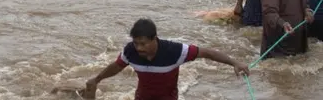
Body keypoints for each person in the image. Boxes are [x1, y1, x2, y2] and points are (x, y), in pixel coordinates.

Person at [81, 19, 248, 100]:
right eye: (136, 43)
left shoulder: (174, 51)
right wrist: (97, 79)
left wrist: (235, 63)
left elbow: (207, 53)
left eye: (143, 43)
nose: (139, 48)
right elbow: (117, 66)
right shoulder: (130, 51)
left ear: (155, 39)